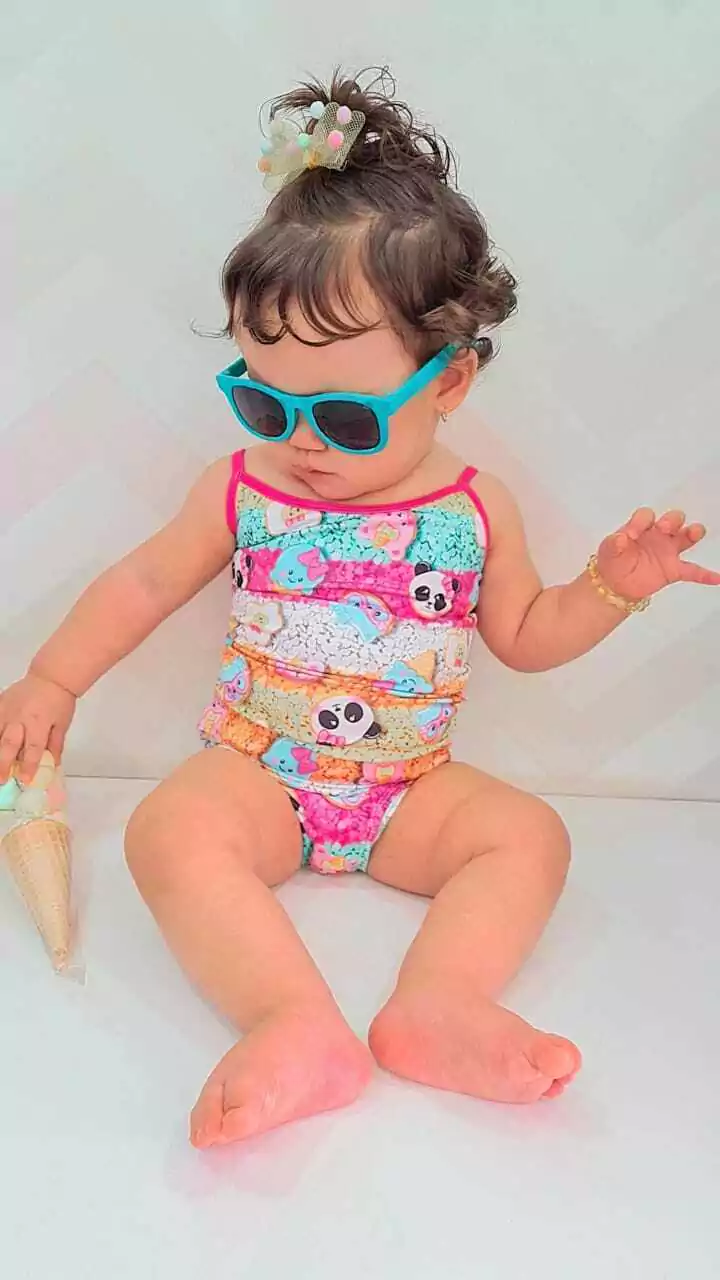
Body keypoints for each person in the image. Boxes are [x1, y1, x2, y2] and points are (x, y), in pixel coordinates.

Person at [2, 70, 717, 1149]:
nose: (299, 439)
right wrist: (52, 678)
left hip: (408, 789)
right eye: (262, 400)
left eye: (342, 415)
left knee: (530, 836)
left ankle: (440, 1003)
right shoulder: (242, 490)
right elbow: (145, 582)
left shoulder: (474, 509)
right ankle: (292, 1020)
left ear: (449, 382)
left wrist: (616, 587)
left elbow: (526, 637)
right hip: (258, 770)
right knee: (167, 829)